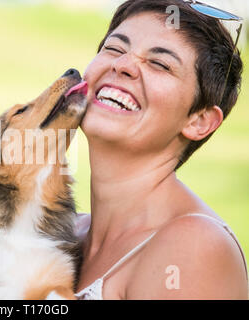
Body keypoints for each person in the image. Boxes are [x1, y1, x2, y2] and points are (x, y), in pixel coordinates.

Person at [74, 0, 248, 300]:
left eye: (160, 64)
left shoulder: (194, 247)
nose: (123, 65)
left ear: (200, 121)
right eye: (115, 48)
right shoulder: (65, 233)